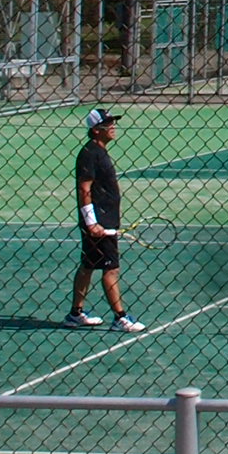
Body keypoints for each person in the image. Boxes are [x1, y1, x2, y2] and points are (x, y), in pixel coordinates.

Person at [69, 110, 145, 331]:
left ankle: (76, 313)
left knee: (88, 266)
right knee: (111, 269)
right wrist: (92, 223)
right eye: (108, 124)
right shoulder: (90, 154)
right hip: (99, 223)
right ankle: (120, 317)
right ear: (96, 130)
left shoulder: (98, 152)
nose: (113, 126)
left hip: (105, 220)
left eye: (113, 122)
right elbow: (84, 189)